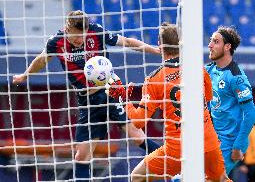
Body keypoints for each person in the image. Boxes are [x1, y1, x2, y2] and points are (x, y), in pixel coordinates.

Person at [12, 10, 161, 182]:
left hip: (109, 90)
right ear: (67, 29)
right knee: (81, 156)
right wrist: (25, 75)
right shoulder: (56, 42)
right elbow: (42, 60)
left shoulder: (96, 31)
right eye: (76, 37)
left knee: (135, 135)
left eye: (82, 36)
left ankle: (172, 163)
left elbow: (127, 41)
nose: (80, 40)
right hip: (86, 101)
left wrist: (155, 51)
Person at [120, 22, 225, 182]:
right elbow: (209, 98)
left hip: (177, 148)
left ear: (159, 45)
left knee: (137, 177)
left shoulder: (154, 79)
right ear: (181, 44)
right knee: (220, 179)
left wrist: (125, 101)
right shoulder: (198, 67)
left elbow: (138, 122)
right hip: (206, 140)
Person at [206, 26, 255, 177]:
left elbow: (250, 113)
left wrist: (238, 146)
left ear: (227, 47)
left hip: (229, 143)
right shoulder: (209, 70)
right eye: (210, 41)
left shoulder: (236, 77)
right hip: (211, 137)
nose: (210, 45)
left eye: (215, 42)